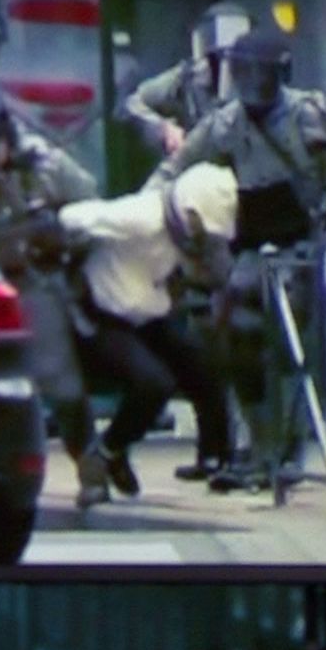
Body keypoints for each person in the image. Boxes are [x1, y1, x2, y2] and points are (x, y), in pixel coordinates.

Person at [149, 27, 326, 492]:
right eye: (242, 73)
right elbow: (172, 170)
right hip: (259, 244)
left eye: (258, 74)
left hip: (319, 238)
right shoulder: (225, 124)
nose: (250, 84)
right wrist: (150, 211)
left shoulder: (312, 111)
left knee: (323, 348)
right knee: (235, 330)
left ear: (279, 74)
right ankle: (264, 448)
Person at [0, 96, 105, 500]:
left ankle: (91, 467)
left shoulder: (39, 163)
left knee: (62, 382)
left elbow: (89, 202)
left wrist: (56, 225)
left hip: (30, 280)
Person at [58, 162, 240, 501]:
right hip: (103, 315)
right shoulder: (139, 217)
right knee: (153, 383)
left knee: (205, 365)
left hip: (149, 314)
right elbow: (71, 218)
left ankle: (217, 457)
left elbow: (217, 274)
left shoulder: (191, 240)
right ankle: (107, 452)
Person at [123, 1, 253, 157]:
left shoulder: (260, 81)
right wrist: (164, 129)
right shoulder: (187, 76)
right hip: (197, 162)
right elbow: (134, 102)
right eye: (215, 58)